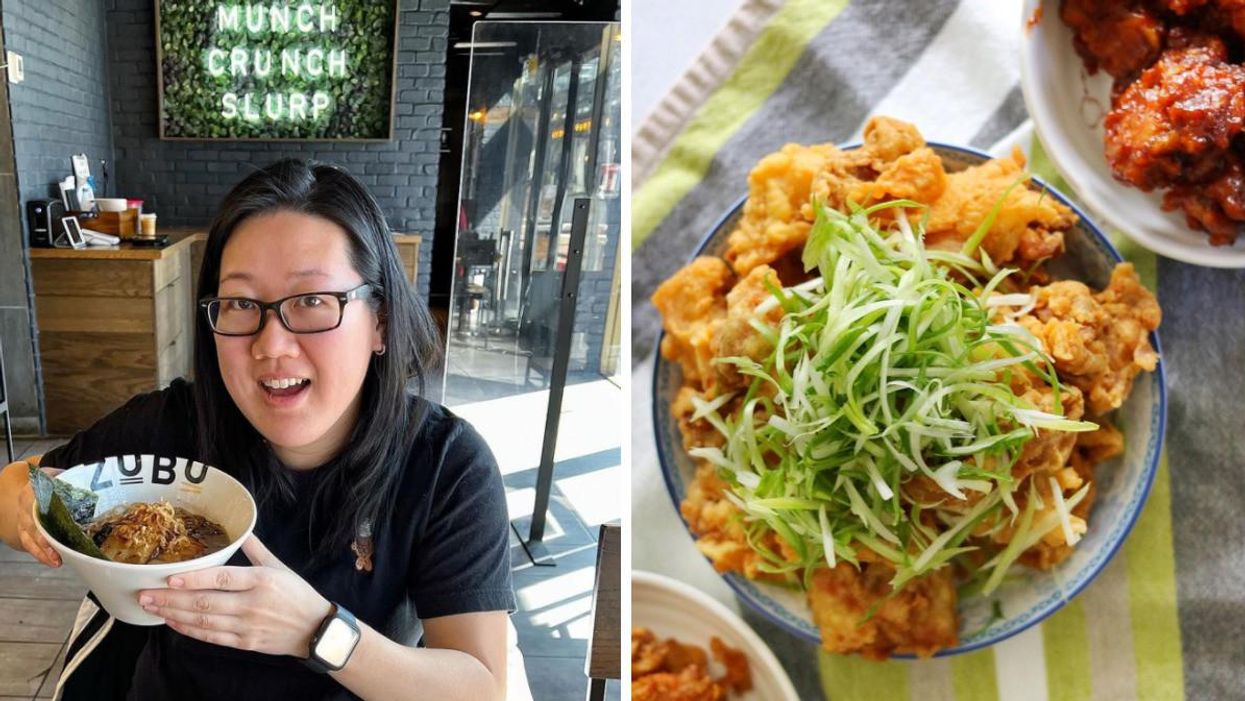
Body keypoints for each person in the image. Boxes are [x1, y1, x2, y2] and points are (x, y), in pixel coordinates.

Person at [0, 160, 515, 700]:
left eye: (313, 301)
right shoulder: (173, 424)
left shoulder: (443, 465)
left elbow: (480, 687)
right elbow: (17, 482)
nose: (271, 346)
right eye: (242, 304)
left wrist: (316, 632)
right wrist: (31, 515)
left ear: (380, 321)